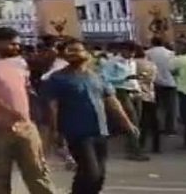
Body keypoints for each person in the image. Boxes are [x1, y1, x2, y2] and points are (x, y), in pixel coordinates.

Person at [42, 39, 139, 194]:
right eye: (69, 51)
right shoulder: (57, 79)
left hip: (100, 130)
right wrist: (55, 132)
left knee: (99, 175)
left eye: (76, 50)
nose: (72, 53)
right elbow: (52, 107)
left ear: (87, 54)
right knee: (89, 172)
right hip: (76, 132)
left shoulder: (97, 77)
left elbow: (112, 102)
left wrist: (127, 124)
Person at [0, 27, 54, 194]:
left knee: (37, 170)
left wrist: (33, 111)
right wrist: (11, 112)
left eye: (18, 44)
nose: (17, 47)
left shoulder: (20, 63)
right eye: (12, 44)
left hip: (25, 126)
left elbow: (26, 88)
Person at [101, 42, 148, 161]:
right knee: (132, 120)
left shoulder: (132, 62)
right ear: (123, 50)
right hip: (121, 90)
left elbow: (133, 77)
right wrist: (123, 78)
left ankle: (132, 147)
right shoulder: (113, 62)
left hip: (135, 91)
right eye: (130, 51)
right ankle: (134, 150)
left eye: (134, 52)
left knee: (138, 120)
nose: (132, 54)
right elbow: (105, 78)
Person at [145, 37, 178, 135]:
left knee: (154, 107)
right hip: (170, 82)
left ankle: (155, 127)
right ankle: (170, 129)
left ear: (152, 43)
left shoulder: (147, 53)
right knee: (171, 108)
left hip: (154, 82)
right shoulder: (171, 54)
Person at [132, 45, 161, 154]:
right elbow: (154, 79)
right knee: (153, 121)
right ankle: (156, 145)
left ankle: (140, 144)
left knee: (140, 121)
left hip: (137, 94)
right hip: (150, 94)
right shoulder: (151, 64)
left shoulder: (132, 63)